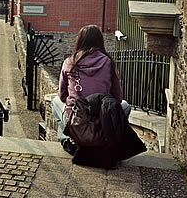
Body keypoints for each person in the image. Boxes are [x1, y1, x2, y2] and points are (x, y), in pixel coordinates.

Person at [51, 25, 130, 153]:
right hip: (102, 118)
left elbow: (62, 95)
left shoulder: (70, 62)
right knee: (126, 106)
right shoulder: (109, 62)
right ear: (100, 41)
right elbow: (118, 97)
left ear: (80, 40)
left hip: (77, 117)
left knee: (55, 102)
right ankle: (107, 139)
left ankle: (66, 138)